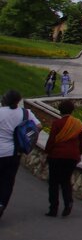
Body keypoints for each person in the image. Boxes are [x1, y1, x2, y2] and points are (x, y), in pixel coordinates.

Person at [0, 89, 41, 221]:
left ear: (5, 100)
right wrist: (23, 133)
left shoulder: (0, 112)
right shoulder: (25, 113)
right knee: (8, 181)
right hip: (14, 153)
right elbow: (39, 126)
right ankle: (1, 204)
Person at [44, 99, 82, 217]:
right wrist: (79, 154)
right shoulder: (78, 124)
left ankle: (53, 208)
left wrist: (47, 151)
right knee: (66, 181)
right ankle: (68, 203)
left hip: (56, 156)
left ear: (60, 110)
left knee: (53, 182)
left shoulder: (57, 123)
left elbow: (51, 140)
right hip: (72, 157)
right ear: (72, 111)